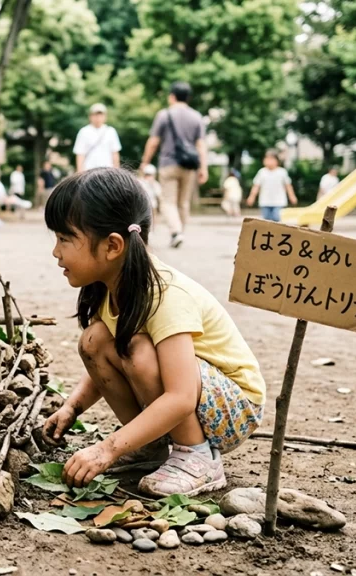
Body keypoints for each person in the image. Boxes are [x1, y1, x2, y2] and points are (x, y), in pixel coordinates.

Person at [41, 168, 265, 496]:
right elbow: (104, 356)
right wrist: (71, 408)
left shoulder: (165, 295)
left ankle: (197, 457)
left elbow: (181, 395)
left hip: (233, 406)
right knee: (96, 340)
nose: (56, 252)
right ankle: (154, 447)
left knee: (136, 348)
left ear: (113, 245)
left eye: (64, 239)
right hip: (192, 393)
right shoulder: (110, 285)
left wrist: (108, 448)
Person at [140, 82, 208, 249]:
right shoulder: (196, 116)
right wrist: (203, 168)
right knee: (183, 202)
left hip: (169, 163)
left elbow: (154, 141)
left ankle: (176, 232)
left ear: (172, 96)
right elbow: (201, 144)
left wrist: (145, 162)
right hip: (190, 165)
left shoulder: (164, 115)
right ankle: (179, 233)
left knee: (168, 201)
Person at [246, 150, 297, 222]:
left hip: (279, 201)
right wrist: (251, 197)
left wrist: (292, 196)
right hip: (265, 201)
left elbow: (288, 186)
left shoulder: (282, 172)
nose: (268, 161)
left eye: (271, 159)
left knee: (276, 218)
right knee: (266, 220)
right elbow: (256, 186)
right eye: (267, 159)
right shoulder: (262, 172)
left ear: (277, 161)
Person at [73, 104, 122, 172]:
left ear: (105, 116)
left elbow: (115, 154)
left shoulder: (111, 131)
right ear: (90, 116)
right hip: (89, 171)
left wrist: (116, 171)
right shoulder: (84, 132)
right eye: (96, 115)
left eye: (101, 115)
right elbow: (80, 154)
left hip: (107, 171)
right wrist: (80, 173)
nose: (98, 117)